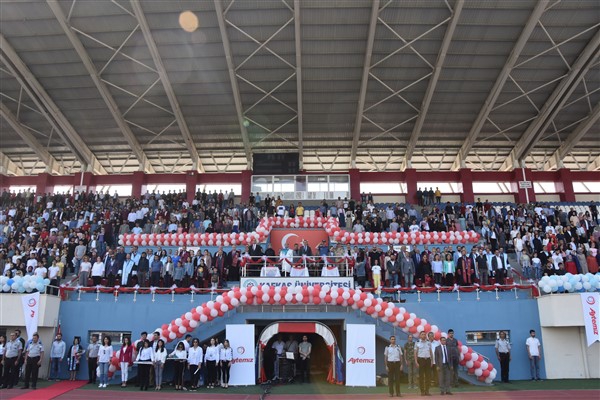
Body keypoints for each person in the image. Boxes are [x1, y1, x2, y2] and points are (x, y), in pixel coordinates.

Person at [414, 331, 433, 396]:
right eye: (422, 334)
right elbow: (415, 353)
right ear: (420, 336)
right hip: (421, 360)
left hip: (428, 360)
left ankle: (427, 391)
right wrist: (416, 361)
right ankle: (422, 391)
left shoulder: (428, 343)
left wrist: (432, 361)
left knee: (428, 376)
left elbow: (431, 352)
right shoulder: (417, 343)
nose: (424, 335)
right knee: (421, 376)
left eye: (424, 334)